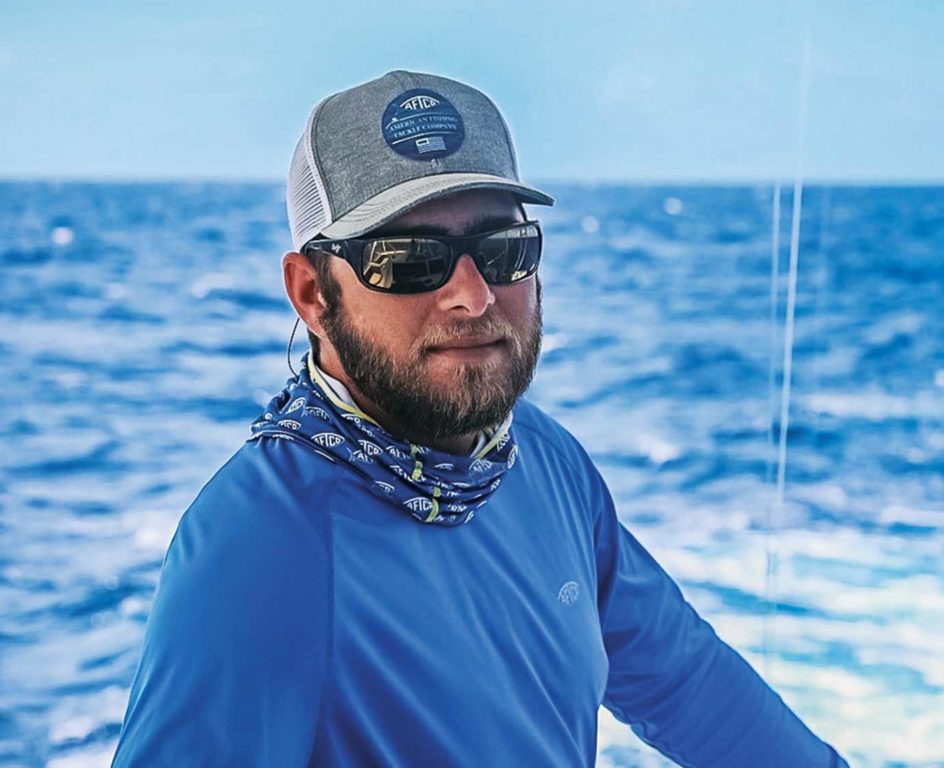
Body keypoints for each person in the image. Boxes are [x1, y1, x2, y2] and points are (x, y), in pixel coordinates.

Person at [112, 70, 849, 767]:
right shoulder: (256, 547)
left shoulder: (546, 461)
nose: (473, 295)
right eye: (407, 260)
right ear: (311, 293)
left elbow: (683, 679)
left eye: (502, 250)